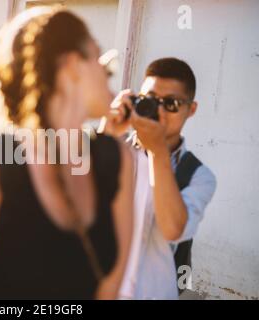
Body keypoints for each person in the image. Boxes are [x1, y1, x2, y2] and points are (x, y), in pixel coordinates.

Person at [0, 7, 133, 300]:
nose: (108, 72)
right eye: (100, 59)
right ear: (72, 65)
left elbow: (108, 292)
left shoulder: (116, 161)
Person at [103, 58, 217, 299]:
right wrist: (106, 135)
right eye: (151, 101)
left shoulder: (198, 175)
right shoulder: (114, 148)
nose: (160, 111)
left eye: (172, 104)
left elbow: (173, 230)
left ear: (191, 109)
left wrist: (157, 152)